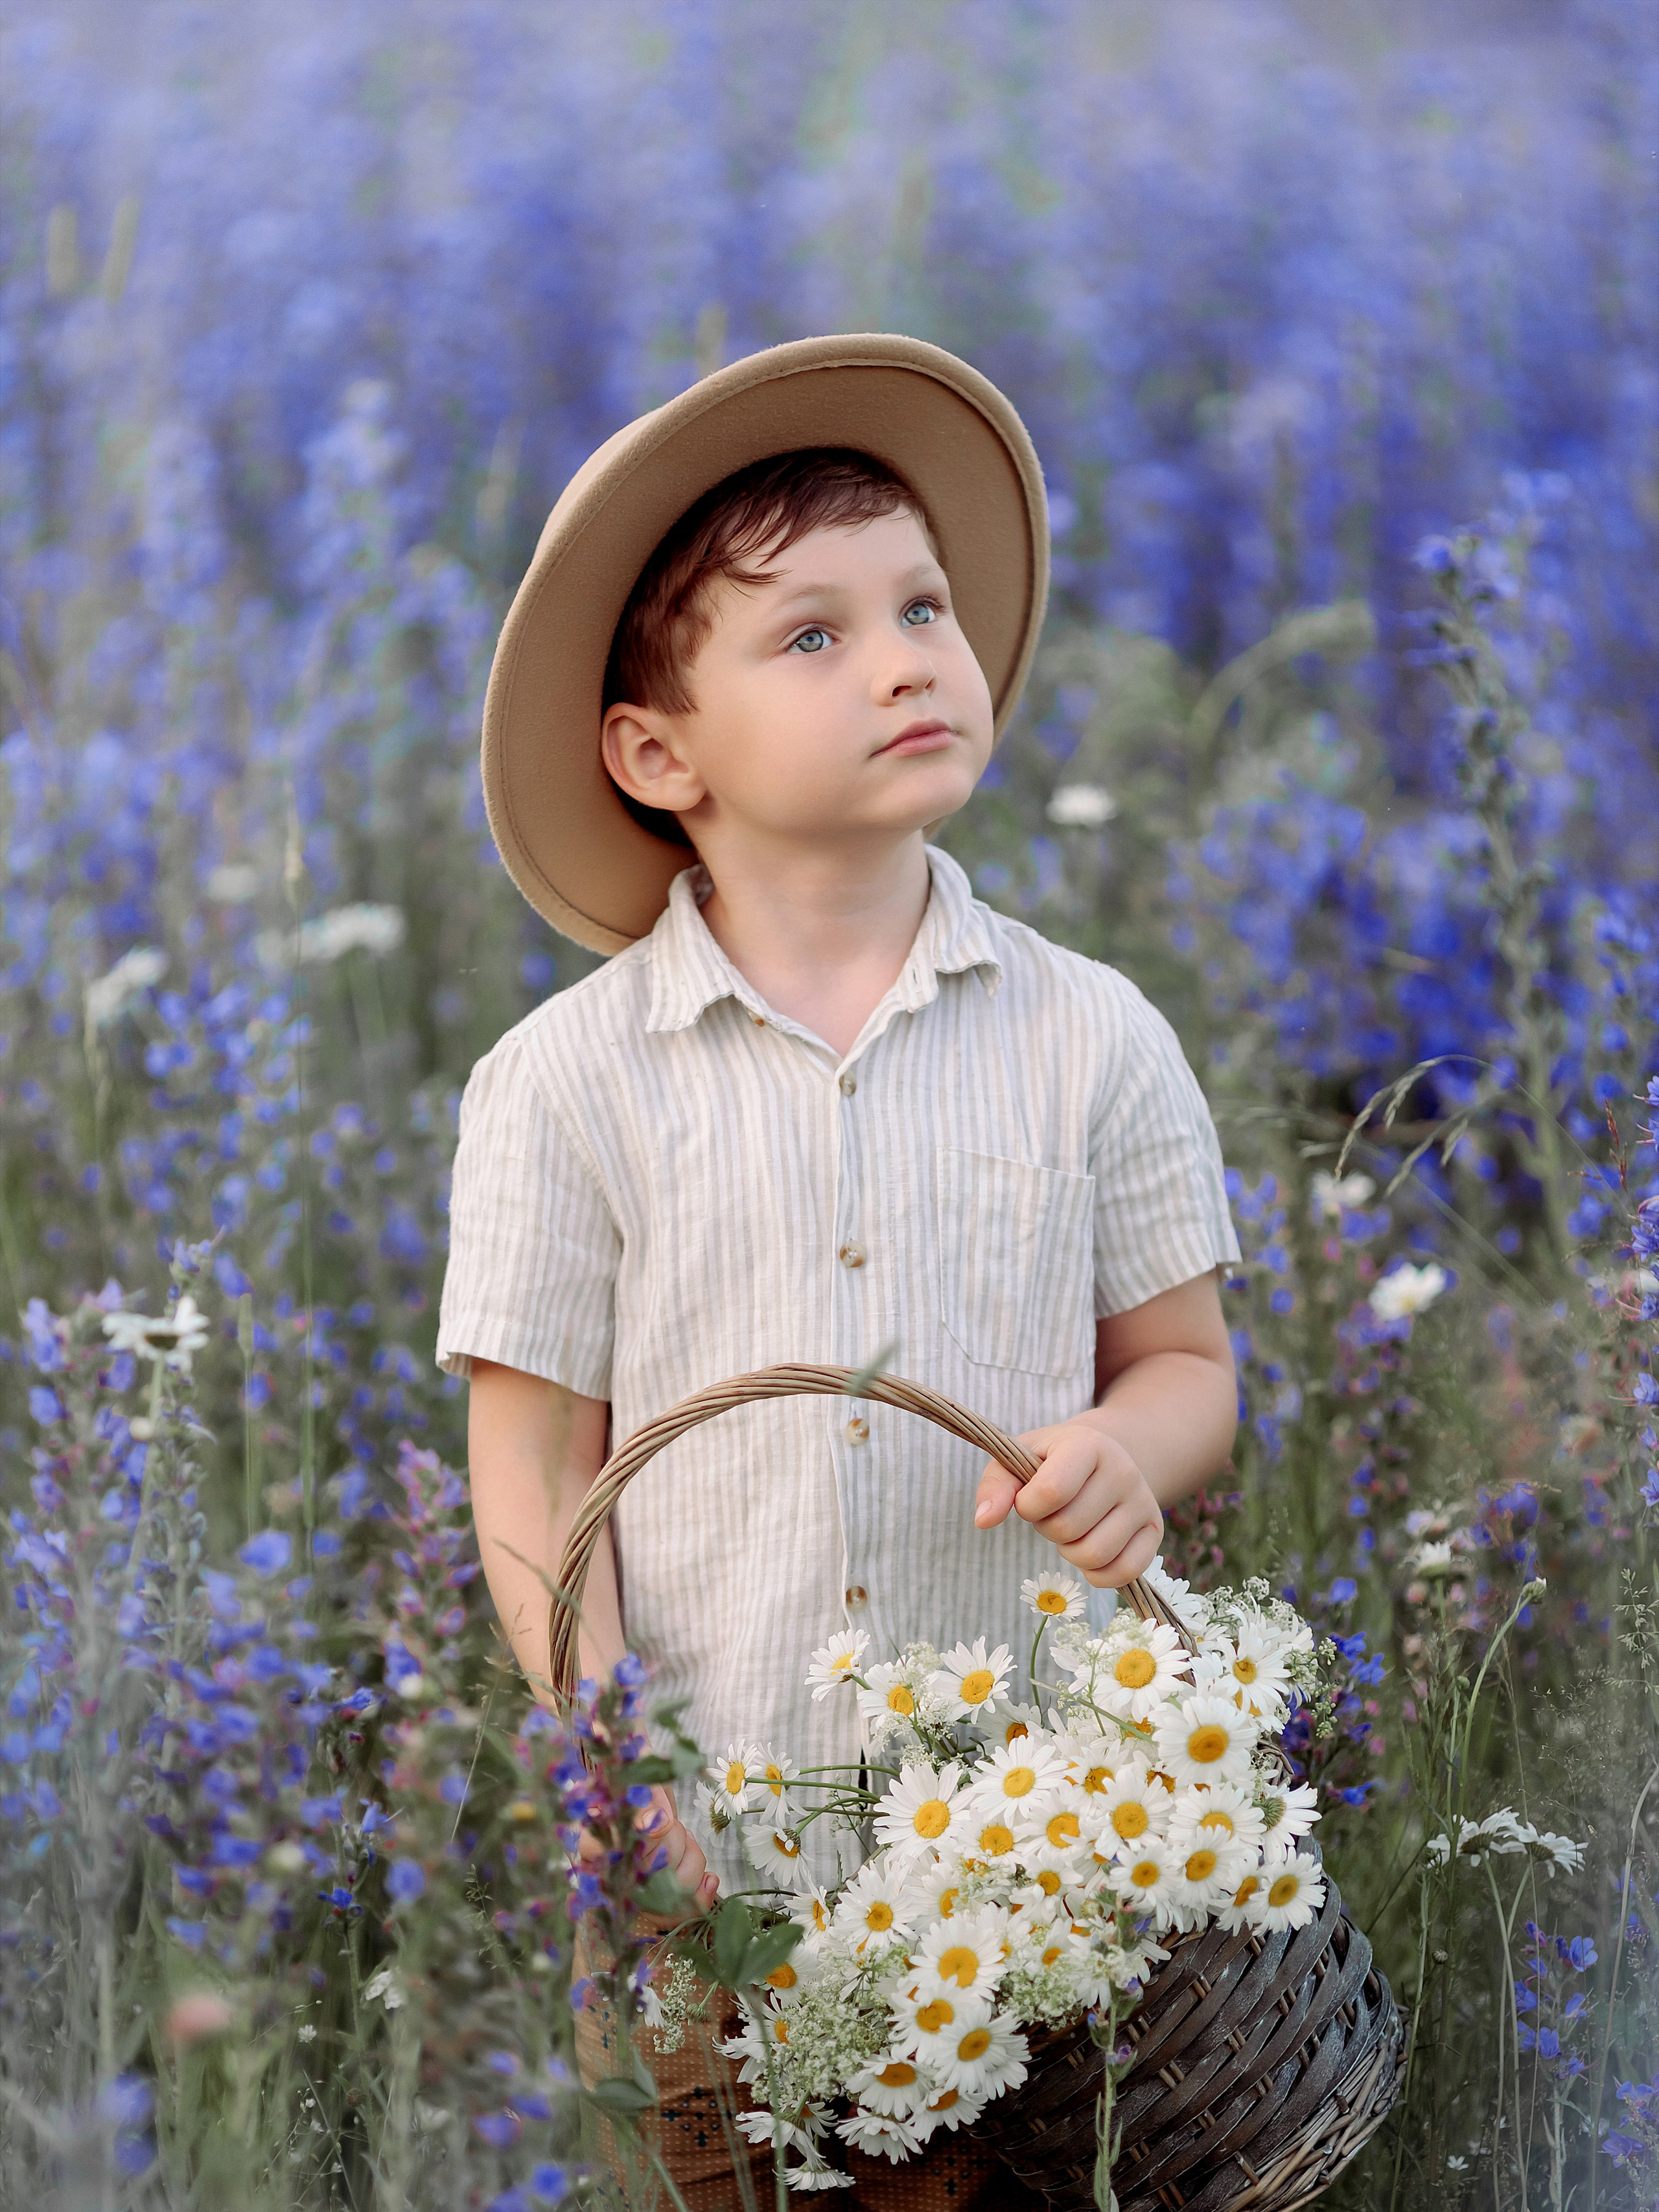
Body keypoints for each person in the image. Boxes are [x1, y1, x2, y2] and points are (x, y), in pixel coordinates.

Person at [436, 335, 1242, 2208]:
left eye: (926, 606)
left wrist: (1138, 1451)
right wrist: (617, 1773)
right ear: (655, 754)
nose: (905, 658)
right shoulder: (565, 1084)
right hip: (721, 1856)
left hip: (1034, 1849)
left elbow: (1189, 1367)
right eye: (810, 636)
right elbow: (539, 1479)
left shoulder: (1096, 1033)